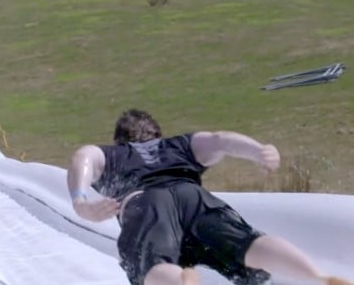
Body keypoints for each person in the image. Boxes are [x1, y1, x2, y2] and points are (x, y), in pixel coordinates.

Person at [67, 109, 353, 285]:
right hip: (193, 196)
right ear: (157, 133)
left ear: (121, 139)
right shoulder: (178, 145)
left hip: (145, 203)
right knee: (246, 242)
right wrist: (258, 150)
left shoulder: (115, 153)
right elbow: (220, 140)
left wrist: (81, 201)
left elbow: (84, 158)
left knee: (150, 265)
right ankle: (319, 276)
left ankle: (181, 281)